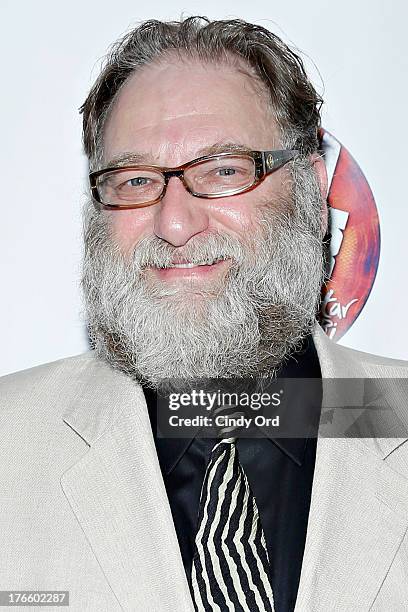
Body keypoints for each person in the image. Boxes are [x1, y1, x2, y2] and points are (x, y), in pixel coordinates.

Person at [1, 16, 408, 612]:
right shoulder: (8, 443)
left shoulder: (394, 414)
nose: (174, 223)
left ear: (313, 189)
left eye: (224, 171)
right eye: (135, 180)